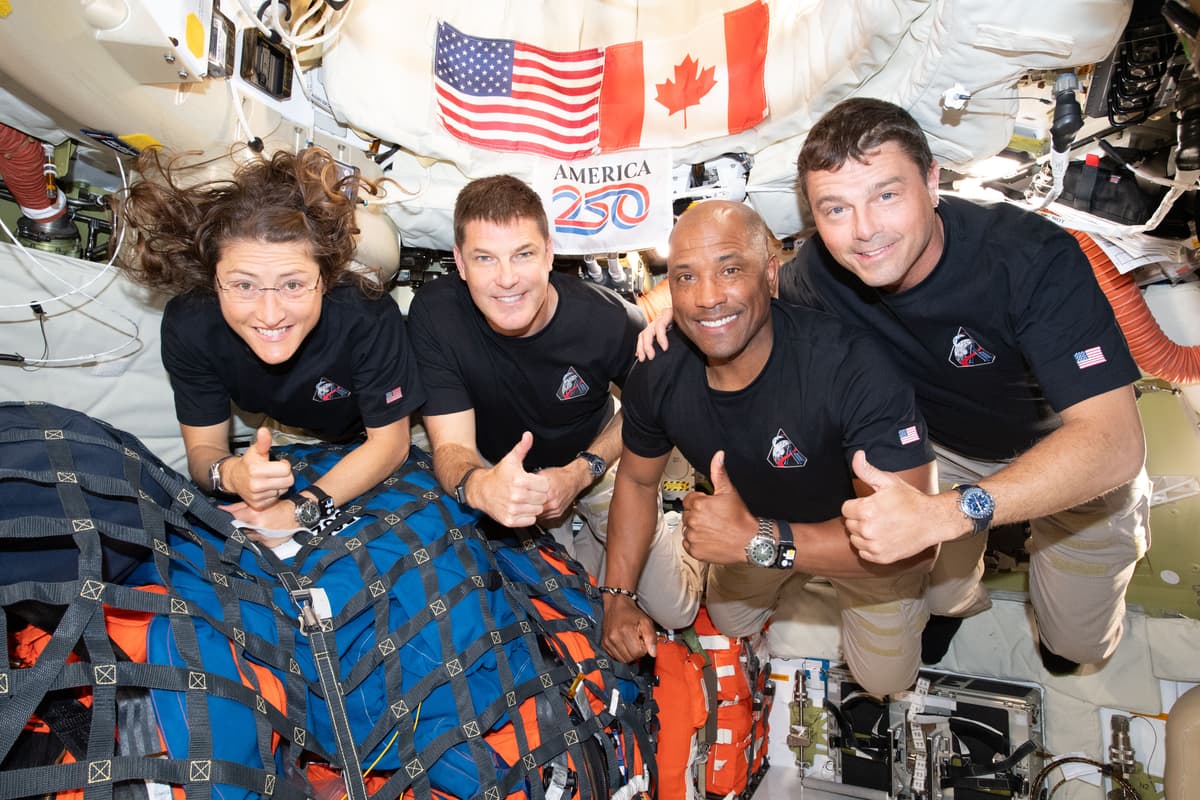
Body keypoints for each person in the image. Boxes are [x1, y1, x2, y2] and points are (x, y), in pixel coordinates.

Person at [642, 98, 1151, 674]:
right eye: (836, 208)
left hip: (1067, 452)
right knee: (935, 588)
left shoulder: (1027, 258)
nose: (864, 232)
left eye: (886, 195)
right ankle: (955, 601)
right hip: (940, 452)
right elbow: (734, 287)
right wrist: (682, 312)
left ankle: (1049, 607)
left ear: (932, 182)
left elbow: (1114, 442)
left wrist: (952, 514)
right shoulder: (818, 274)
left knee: (1078, 646)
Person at [604, 199, 937, 696]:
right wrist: (616, 596)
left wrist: (758, 539)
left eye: (730, 269)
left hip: (862, 547)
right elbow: (635, 479)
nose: (706, 298)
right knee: (732, 621)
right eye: (685, 278)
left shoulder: (851, 367)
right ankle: (760, 560)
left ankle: (929, 593)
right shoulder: (659, 372)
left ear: (771, 275)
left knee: (886, 682)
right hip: (750, 532)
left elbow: (917, 546)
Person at [406, 175, 701, 628]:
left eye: (522, 254)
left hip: (594, 458)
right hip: (506, 472)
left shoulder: (607, 319)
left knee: (675, 613)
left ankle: (666, 528)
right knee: (555, 608)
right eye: (485, 258)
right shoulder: (435, 314)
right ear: (460, 264)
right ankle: (582, 542)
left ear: (548, 254)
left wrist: (581, 472)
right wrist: (483, 487)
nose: (506, 279)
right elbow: (451, 447)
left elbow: (645, 411)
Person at [118, 146, 424, 539]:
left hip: (397, 428)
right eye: (244, 285)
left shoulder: (365, 314)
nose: (269, 313)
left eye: (293, 284)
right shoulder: (190, 324)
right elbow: (204, 451)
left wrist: (301, 510)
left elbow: (389, 445)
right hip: (293, 431)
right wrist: (231, 473)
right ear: (213, 281)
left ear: (325, 279)